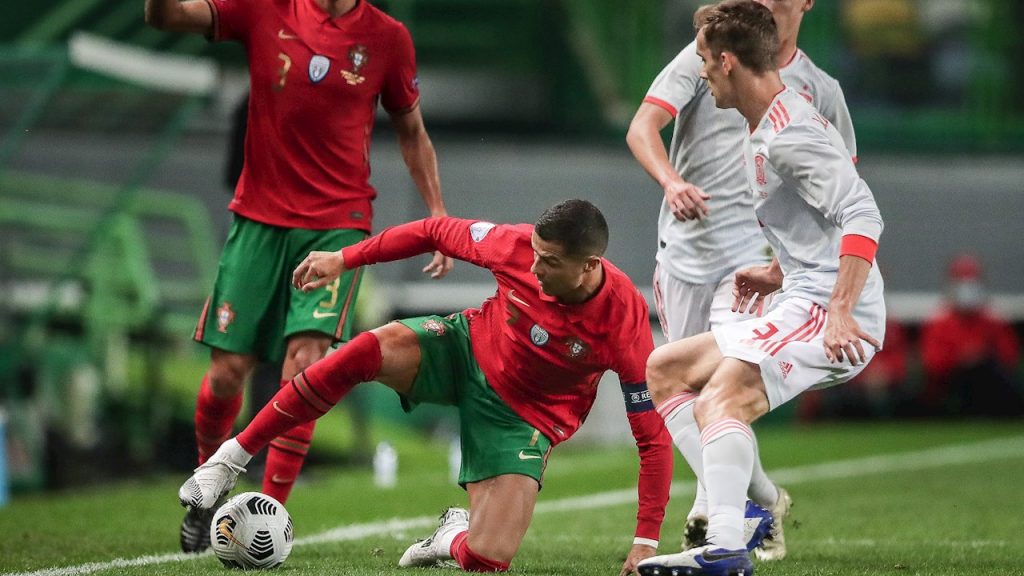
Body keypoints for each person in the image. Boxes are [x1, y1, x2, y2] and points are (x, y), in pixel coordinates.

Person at [177, 200, 674, 574]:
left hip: (524, 419)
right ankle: (230, 460)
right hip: (463, 351)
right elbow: (433, 230)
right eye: (536, 255)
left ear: (590, 266)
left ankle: (452, 535)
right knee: (361, 351)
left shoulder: (625, 324)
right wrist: (345, 259)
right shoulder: (516, 246)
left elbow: (653, 439)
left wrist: (645, 542)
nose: (535, 267)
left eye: (551, 263)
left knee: (489, 557)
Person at [144, 0, 454, 553]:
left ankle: (269, 516)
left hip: (337, 227)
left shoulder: (387, 38)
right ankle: (207, 492)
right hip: (258, 221)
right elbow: (166, 19)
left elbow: (411, 131)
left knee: (306, 364)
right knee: (226, 373)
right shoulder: (263, 10)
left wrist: (435, 211)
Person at [635, 2, 885, 574]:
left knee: (723, 395)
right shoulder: (767, 123)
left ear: (726, 62)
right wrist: (777, 271)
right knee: (665, 370)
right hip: (803, 289)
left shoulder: (789, 132)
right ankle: (748, 519)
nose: (700, 73)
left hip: (829, 307)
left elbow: (862, 213)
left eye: (703, 62)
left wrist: (842, 309)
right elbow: (815, 217)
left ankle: (725, 545)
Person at [920, 254, 1022, 417]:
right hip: (953, 382)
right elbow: (932, 363)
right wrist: (960, 358)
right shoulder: (939, 322)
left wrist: (983, 356)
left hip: (989, 382)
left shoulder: (993, 319)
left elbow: (1010, 356)